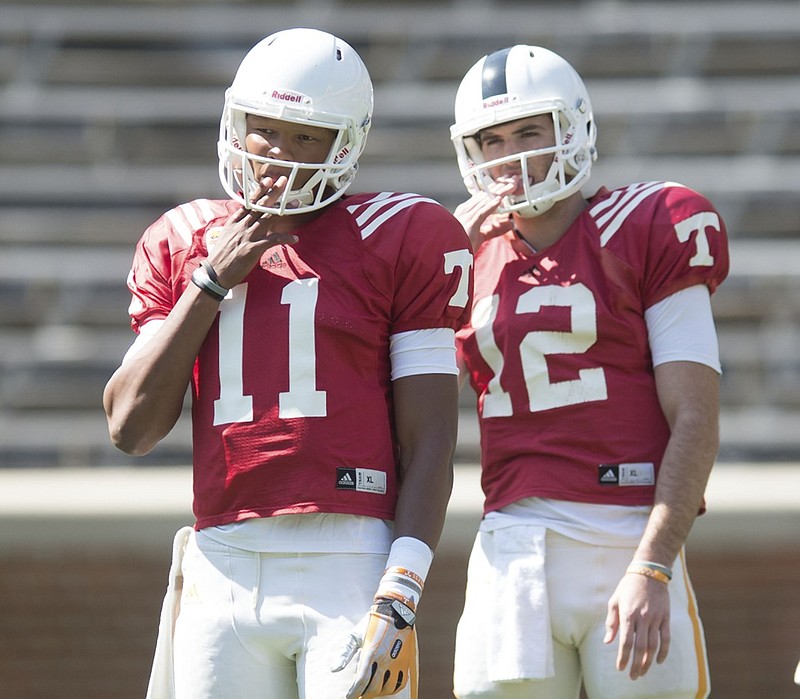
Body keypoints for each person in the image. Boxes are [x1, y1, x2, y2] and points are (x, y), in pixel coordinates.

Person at [103, 27, 474, 699]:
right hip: (224, 558)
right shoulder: (184, 240)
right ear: (235, 125)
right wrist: (210, 281)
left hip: (350, 556)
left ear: (346, 142)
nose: (278, 155)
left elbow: (430, 440)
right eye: (264, 131)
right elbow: (130, 425)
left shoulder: (400, 235)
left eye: (306, 137)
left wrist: (403, 586)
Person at [448, 44, 729, 699]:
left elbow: (695, 414)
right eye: (491, 139)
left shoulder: (651, 224)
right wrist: (439, 269)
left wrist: (654, 564)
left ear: (570, 129)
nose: (510, 155)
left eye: (528, 132)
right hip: (512, 542)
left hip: (627, 530)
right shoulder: (460, 257)